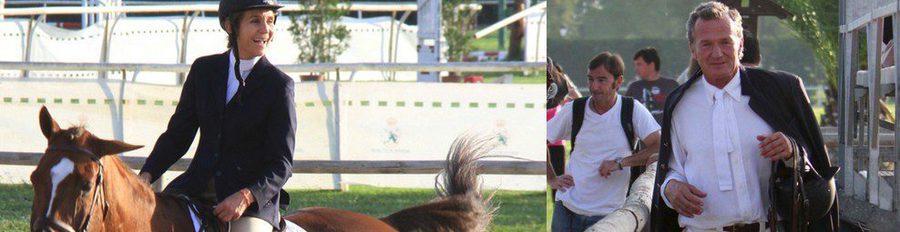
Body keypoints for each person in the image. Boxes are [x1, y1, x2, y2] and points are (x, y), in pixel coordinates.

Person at [649, 2, 839, 232]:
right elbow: (672, 169)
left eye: (725, 42)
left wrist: (792, 151)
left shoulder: (779, 92)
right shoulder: (679, 104)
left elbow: (814, 166)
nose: (717, 53)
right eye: (706, 44)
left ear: (740, 43)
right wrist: (670, 188)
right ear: (693, 49)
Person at [138, 0, 296, 231]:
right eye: (255, 21)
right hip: (193, 191)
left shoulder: (280, 85)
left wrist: (246, 196)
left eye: (270, 21)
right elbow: (178, 136)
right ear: (230, 26)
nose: (265, 29)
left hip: (250, 205)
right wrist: (146, 176)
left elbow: (281, 163)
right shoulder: (203, 70)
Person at [547, 52, 661, 232]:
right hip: (566, 209)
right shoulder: (574, 109)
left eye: (601, 80)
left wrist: (620, 163)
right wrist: (551, 178)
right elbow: (543, 137)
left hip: (610, 215)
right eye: (590, 79)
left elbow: (659, 145)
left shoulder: (632, 110)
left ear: (618, 81)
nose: (594, 87)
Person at [625, 47, 680, 124]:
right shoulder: (634, 87)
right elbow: (626, 113)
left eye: (639, 64)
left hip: (667, 133)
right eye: (635, 65)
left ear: (651, 65)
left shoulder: (671, 85)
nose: (636, 69)